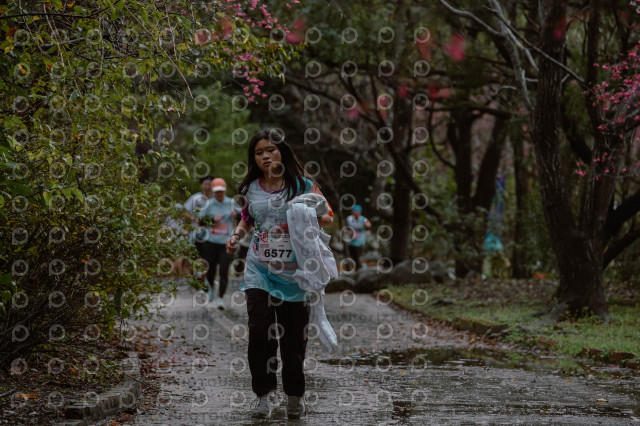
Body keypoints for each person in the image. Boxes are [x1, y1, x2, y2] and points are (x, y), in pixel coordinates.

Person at [225, 128, 333, 420]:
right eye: (259, 152)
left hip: (295, 274)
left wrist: (309, 217)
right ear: (254, 158)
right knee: (260, 332)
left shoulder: (303, 185)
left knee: (293, 338)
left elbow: (327, 216)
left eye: (270, 150)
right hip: (259, 269)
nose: (265, 156)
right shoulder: (250, 189)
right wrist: (236, 236)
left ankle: (295, 395)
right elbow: (247, 219)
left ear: (282, 152)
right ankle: (263, 395)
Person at [195, 177, 240, 309]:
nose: (219, 193)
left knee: (224, 270)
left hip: (226, 243)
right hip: (211, 242)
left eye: (221, 190)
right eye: (217, 191)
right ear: (213, 191)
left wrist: (236, 214)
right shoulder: (209, 204)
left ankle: (220, 298)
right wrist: (212, 219)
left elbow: (244, 216)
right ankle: (211, 289)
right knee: (211, 269)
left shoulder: (231, 202)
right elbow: (199, 221)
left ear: (225, 190)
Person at [345, 204, 371, 271]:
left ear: (360, 212)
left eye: (357, 211)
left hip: (360, 239)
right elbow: (346, 227)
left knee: (358, 253)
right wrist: (348, 231)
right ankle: (354, 267)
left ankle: (360, 267)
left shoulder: (363, 219)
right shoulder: (349, 218)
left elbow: (369, 226)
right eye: (354, 211)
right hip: (351, 239)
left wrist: (368, 231)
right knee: (352, 254)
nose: (355, 212)